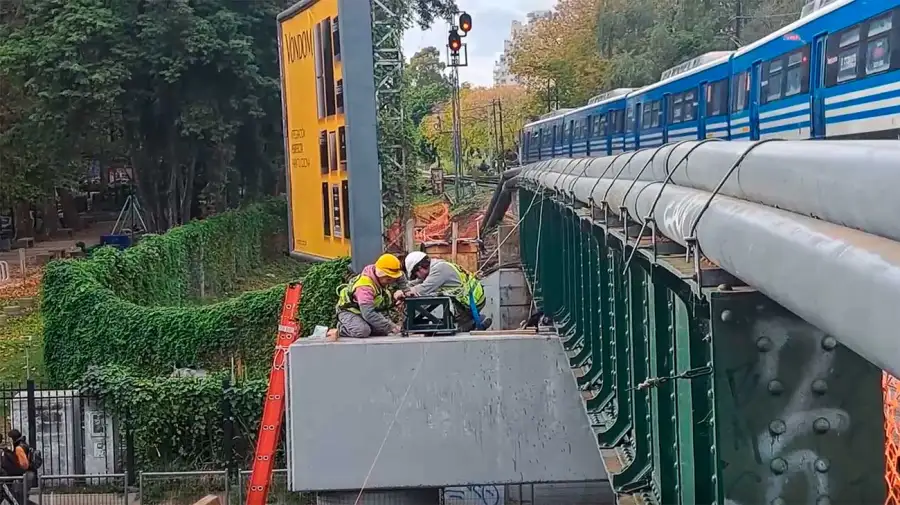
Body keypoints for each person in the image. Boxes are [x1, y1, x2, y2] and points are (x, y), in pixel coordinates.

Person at [403, 252, 492, 332]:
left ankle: (475, 321)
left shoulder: (439, 270)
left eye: (416, 275)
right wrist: (403, 288)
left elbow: (423, 289)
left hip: (472, 301)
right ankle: (472, 322)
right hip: (469, 299)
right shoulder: (437, 266)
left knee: (459, 328)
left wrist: (403, 293)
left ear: (420, 268)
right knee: (459, 324)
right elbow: (417, 283)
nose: (417, 277)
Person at [330, 254, 407, 340]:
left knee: (382, 331)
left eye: (393, 279)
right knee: (362, 331)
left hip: (364, 310)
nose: (390, 282)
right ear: (380, 274)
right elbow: (368, 314)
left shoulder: (378, 270)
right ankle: (341, 328)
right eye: (388, 279)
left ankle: (364, 325)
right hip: (349, 311)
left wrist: (407, 291)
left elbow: (400, 276)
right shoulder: (364, 287)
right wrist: (391, 327)